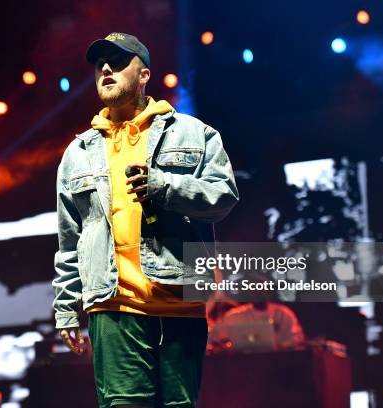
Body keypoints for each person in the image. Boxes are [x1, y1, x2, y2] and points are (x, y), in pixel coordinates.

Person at [52, 32, 239, 408]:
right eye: (100, 63)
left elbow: (223, 197)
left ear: (143, 75)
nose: (105, 68)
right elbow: (71, 239)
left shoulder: (193, 134)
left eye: (119, 61)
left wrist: (164, 186)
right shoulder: (79, 152)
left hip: (178, 302)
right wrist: (65, 307)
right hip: (112, 306)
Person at [208, 301, 305, 352]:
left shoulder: (283, 314)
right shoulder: (234, 316)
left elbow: (298, 339)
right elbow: (212, 337)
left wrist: (282, 347)